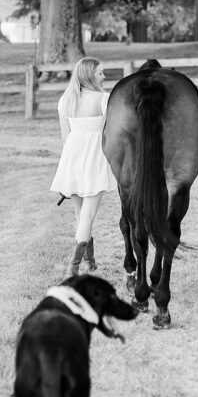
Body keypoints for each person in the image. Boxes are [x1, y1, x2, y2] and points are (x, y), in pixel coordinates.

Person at [49, 56, 118, 278]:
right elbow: (108, 134)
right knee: (87, 216)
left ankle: (90, 260)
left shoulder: (65, 100)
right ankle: (74, 267)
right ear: (90, 75)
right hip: (95, 158)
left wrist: (68, 167)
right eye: (100, 73)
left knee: (81, 215)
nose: (104, 76)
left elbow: (65, 137)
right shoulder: (104, 99)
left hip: (72, 159)